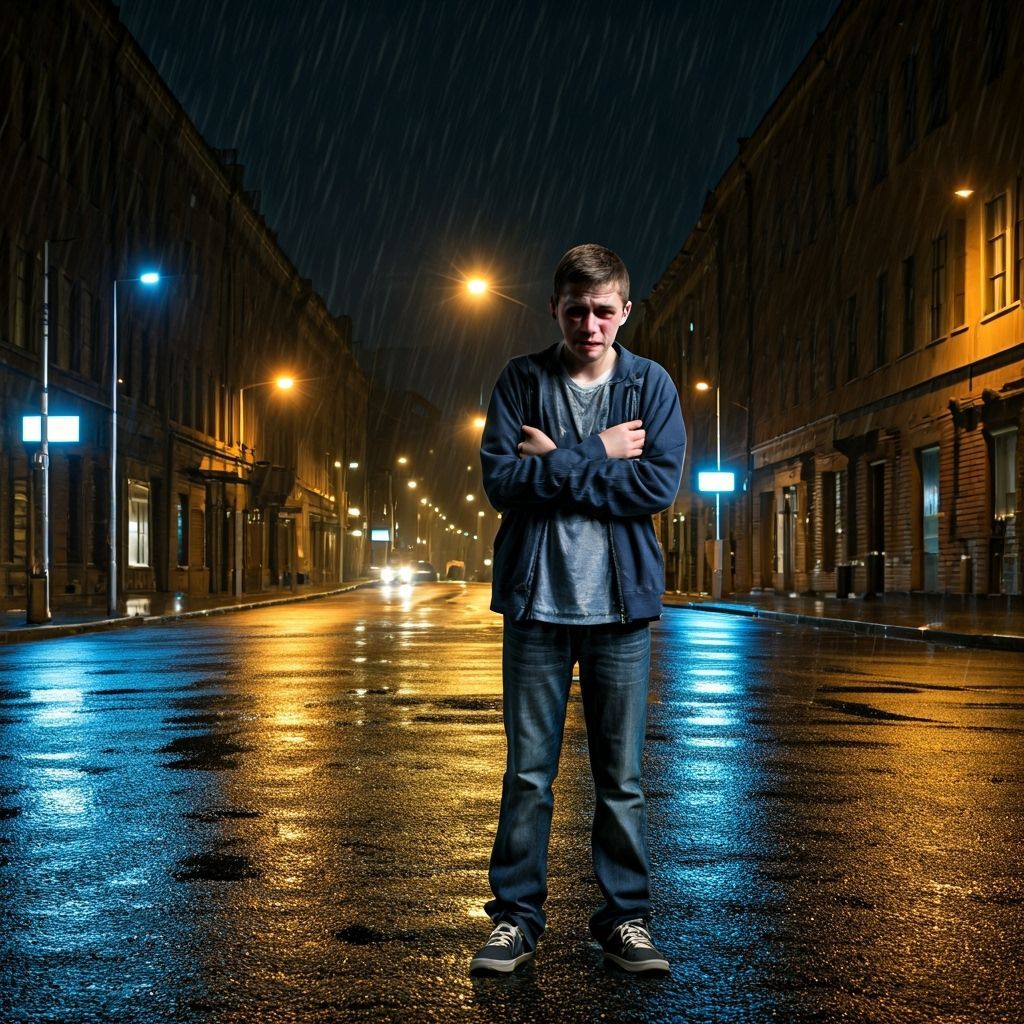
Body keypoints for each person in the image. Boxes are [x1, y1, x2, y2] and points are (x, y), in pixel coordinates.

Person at [471, 244, 686, 975]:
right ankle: (515, 921)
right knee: (528, 776)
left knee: (619, 779)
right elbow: (502, 483)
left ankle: (623, 921)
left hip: (619, 614)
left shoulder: (650, 386)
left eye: (603, 311)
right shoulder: (521, 381)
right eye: (575, 310)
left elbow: (654, 488)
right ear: (556, 310)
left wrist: (553, 463)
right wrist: (596, 450)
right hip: (536, 609)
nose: (589, 325)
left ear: (624, 311)